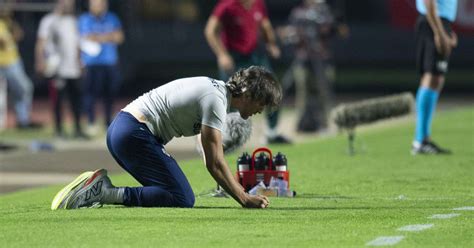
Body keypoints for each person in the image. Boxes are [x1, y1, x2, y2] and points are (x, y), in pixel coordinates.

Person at [51, 66, 279, 210]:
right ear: (249, 94)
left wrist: (227, 181)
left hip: (124, 130)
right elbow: (214, 162)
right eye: (263, 102)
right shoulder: (216, 100)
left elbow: (208, 152)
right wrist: (243, 198)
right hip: (133, 133)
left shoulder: (216, 92)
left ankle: (102, 190)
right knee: (181, 197)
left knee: (170, 192)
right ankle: (103, 192)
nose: (262, 110)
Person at [204, 0, 291, 144]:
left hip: (255, 55)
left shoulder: (258, 3)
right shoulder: (227, 5)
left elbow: (265, 25)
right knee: (227, 97)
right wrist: (222, 55)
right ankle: (226, 137)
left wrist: (271, 44)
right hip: (234, 57)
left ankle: (272, 133)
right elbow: (210, 31)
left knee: (273, 90)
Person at [278, 0, 348, 132]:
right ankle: (301, 124)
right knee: (302, 94)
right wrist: (292, 34)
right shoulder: (298, 13)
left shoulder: (325, 13)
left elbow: (338, 31)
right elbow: (289, 33)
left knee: (324, 91)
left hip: (322, 59)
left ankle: (325, 124)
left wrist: (335, 24)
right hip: (303, 59)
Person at [35, 0, 88, 139]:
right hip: (57, 68)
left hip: (73, 68)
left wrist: (80, 61)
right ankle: (59, 130)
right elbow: (41, 42)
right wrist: (40, 61)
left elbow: (77, 44)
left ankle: (78, 129)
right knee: (57, 100)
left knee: (76, 100)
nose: (68, 4)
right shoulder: (49, 20)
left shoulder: (73, 21)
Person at [411, 0, 457, 155]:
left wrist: (446, 29)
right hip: (433, 22)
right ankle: (421, 140)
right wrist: (440, 33)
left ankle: (422, 139)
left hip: (437, 21)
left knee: (434, 79)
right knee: (432, 78)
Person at [79, 0, 124, 135]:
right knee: (90, 94)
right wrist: (109, 36)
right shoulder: (84, 19)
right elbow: (85, 38)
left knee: (110, 94)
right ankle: (91, 121)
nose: (98, 6)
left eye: (100, 4)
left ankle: (108, 122)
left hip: (109, 62)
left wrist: (98, 37)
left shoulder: (112, 18)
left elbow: (119, 37)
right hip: (91, 63)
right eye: (95, 4)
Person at [0, 10, 42, 129]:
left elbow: (19, 35)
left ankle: (23, 120)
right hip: (1, 62)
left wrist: (11, 24)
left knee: (25, 88)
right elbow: (2, 42)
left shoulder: (8, 22)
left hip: (12, 61)